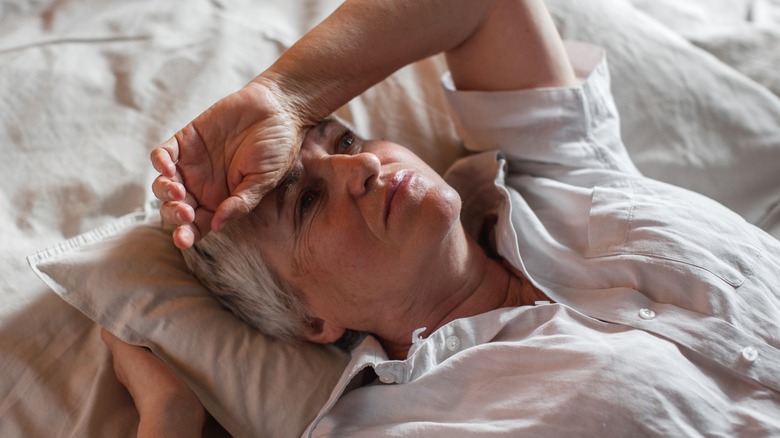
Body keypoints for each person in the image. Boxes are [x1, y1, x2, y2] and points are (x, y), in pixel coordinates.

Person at [102, 0, 780, 436]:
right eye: (305, 202)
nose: (358, 169)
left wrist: (284, 95)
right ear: (311, 320)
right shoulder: (397, 423)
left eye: (344, 141)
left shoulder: (555, 172)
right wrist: (169, 416)